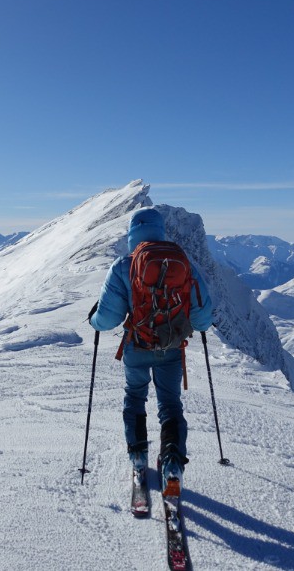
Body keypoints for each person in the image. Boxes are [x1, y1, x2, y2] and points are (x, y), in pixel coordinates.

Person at [89, 208, 213, 496]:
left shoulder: (123, 266)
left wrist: (93, 319)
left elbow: (107, 320)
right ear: (161, 230)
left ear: (132, 234)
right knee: (170, 405)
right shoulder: (184, 263)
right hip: (171, 346)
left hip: (137, 345)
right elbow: (203, 317)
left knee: (135, 397)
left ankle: (139, 457)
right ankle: (172, 464)